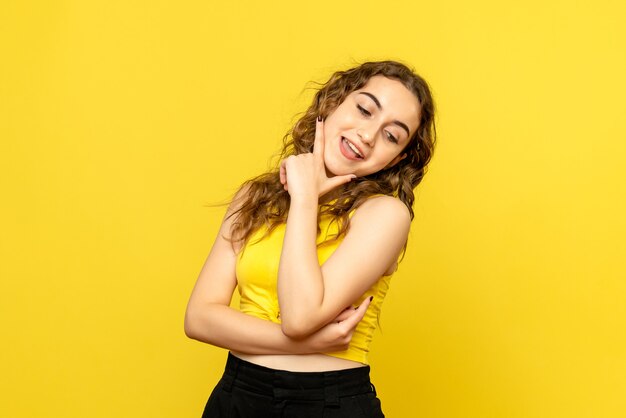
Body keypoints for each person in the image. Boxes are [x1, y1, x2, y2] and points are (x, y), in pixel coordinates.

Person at [184, 60, 436, 417]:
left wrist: (305, 198)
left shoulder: (385, 215)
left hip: (327, 404)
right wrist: (309, 345)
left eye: (391, 135)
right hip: (236, 397)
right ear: (332, 102)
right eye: (364, 110)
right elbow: (198, 318)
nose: (367, 135)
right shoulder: (255, 196)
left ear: (400, 156)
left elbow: (300, 317)